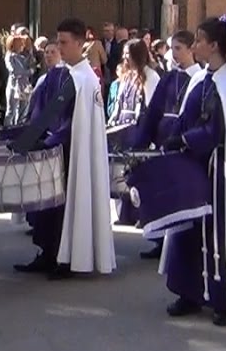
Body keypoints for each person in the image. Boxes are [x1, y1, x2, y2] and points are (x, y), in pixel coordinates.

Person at [161, 15, 226, 328]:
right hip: (193, 166)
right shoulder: (201, 79)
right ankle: (189, 292)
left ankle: (221, 298)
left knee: (217, 234)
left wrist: (186, 139)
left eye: (200, 40)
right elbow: (187, 117)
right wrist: (173, 135)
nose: (195, 45)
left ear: (214, 45)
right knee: (187, 229)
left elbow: (218, 130)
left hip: (219, 171)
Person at [11, 17, 114, 280]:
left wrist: (40, 142)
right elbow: (49, 113)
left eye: (65, 42)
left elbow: (66, 122)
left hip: (71, 153)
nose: (60, 47)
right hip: (61, 150)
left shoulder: (83, 79)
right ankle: (48, 253)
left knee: (62, 207)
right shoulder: (69, 75)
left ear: (80, 44)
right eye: (58, 41)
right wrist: (29, 141)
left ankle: (66, 258)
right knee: (49, 207)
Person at [128, 30, 203, 259]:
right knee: (164, 191)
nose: (173, 54)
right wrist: (140, 143)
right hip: (163, 140)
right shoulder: (169, 78)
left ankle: (184, 244)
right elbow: (153, 113)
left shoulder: (199, 78)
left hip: (184, 142)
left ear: (192, 49)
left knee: (183, 194)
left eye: (179, 48)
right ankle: (162, 242)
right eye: (171, 48)